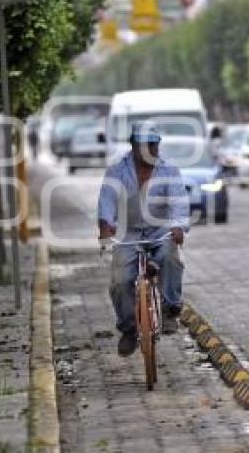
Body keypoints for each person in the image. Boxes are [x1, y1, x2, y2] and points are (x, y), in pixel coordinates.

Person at [98, 122, 189, 356]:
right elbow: (107, 201)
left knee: (171, 259)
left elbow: (179, 201)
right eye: (145, 145)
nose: (151, 149)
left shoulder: (169, 171)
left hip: (160, 233)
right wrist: (106, 225)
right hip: (127, 236)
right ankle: (129, 329)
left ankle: (170, 309)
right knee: (119, 281)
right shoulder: (116, 172)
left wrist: (178, 226)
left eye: (154, 145)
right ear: (134, 146)